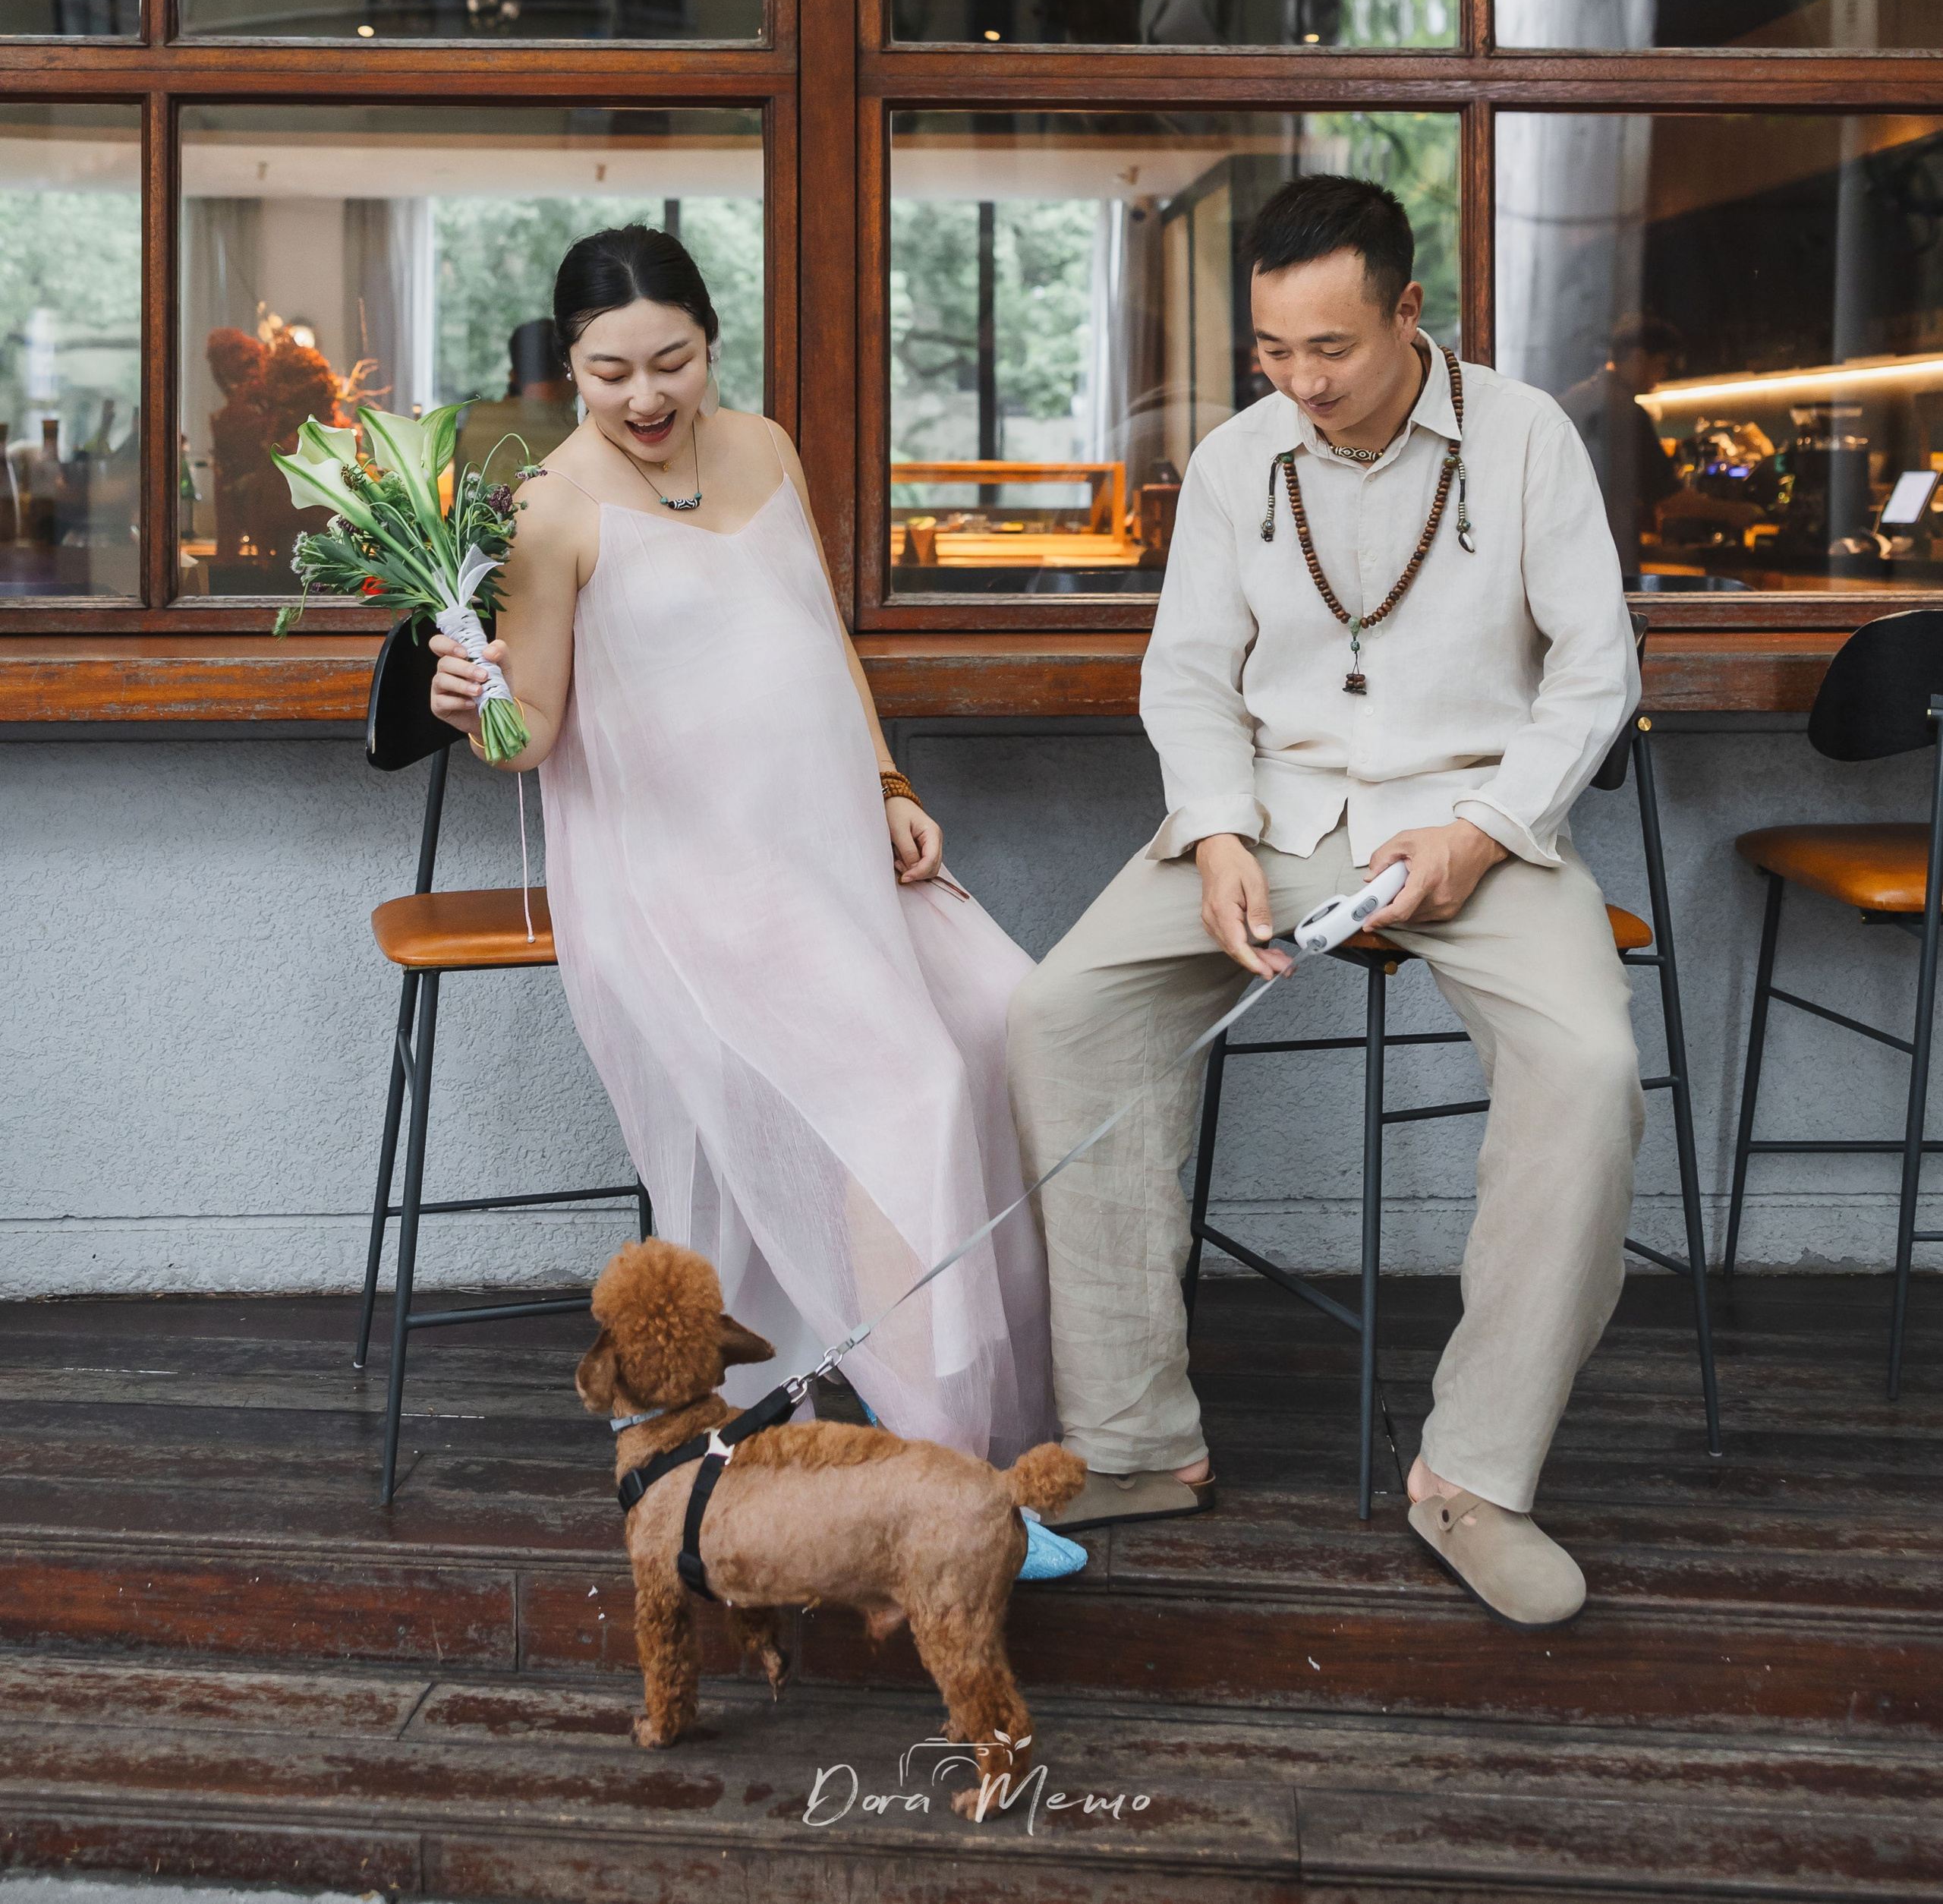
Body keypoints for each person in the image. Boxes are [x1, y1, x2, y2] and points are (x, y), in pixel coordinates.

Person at [1007, 175, 1642, 1628]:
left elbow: (1597, 672)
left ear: (1409, 314)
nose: (1302, 383)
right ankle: (1135, 1446)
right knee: (1060, 1014)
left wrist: (1482, 833)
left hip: (1475, 830)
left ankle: (1473, 1479)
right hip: (1278, 822)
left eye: (1331, 351)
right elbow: (1186, 674)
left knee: (1593, 1070)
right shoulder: (1241, 463)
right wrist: (1216, 832)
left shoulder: (1528, 436)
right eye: (1273, 354)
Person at [428, 225, 1067, 1503]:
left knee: (1013, 1016)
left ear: (712, 343)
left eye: (672, 361)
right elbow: (532, 730)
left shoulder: (765, 445)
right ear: (572, 365)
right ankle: (936, 1452)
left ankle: (976, 1381)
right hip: (690, 881)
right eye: (611, 372)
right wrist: (468, 700)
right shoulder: (548, 511)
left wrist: (887, 782)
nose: (647, 397)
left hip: (831, 846)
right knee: (915, 1087)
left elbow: (825, 641)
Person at [1560, 315, 1683, 581]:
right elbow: (1667, 497)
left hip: (1566, 547)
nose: (1662, 376)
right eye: (1662, 365)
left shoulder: (1578, 396)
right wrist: (1736, 511)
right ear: (1639, 357)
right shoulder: (1624, 410)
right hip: (1607, 550)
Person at [453, 317, 581, 484]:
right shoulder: (577, 428)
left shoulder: (480, 417)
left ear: (513, 374)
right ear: (569, 372)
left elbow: (459, 496)